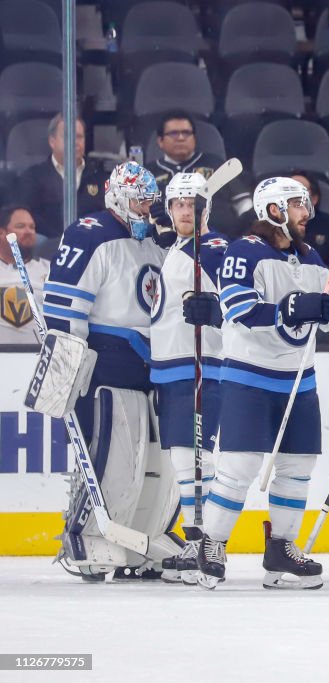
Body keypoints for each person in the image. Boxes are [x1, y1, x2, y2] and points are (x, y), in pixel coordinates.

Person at [196, 177, 329, 590]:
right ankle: (211, 542)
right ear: (273, 210)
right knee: (240, 466)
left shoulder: (314, 258)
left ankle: (281, 547)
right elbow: (239, 308)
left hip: (299, 379)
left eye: (305, 204)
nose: (307, 213)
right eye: (298, 205)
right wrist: (298, 307)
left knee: (298, 468)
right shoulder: (244, 250)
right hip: (250, 376)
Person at [41, 161, 182, 582]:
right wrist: (68, 366)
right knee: (112, 454)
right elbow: (64, 307)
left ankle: (143, 531)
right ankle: (86, 536)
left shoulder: (155, 243)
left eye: (151, 201)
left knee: (153, 458)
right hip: (104, 364)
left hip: (150, 365)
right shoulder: (89, 233)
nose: (146, 208)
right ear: (117, 194)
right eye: (140, 199)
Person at [149, 173, 229, 585]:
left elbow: (238, 297)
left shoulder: (213, 247)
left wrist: (215, 308)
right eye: (178, 203)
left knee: (200, 457)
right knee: (183, 458)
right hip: (171, 368)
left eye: (192, 203)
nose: (185, 209)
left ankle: (206, 538)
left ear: (205, 208)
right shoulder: (178, 250)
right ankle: (194, 536)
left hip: (199, 366)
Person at [149, 111, 249, 239]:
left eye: (186, 133)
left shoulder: (218, 165)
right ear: (160, 141)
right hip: (166, 244)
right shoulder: (148, 174)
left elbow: (244, 204)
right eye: (173, 133)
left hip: (221, 240)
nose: (180, 138)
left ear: (194, 138)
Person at [15, 113, 106, 241]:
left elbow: (106, 217)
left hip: (91, 248)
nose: (75, 142)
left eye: (79, 137)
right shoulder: (33, 177)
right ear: (52, 141)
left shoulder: (99, 178)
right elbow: (25, 218)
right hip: (48, 250)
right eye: (67, 136)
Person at [0, 206, 48, 345]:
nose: (29, 232)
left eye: (32, 227)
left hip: (37, 358)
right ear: (2, 233)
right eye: (21, 226)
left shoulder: (50, 270)